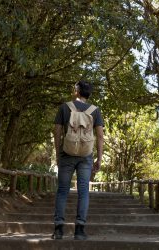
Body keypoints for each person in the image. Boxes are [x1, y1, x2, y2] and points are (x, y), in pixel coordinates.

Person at [52, 80, 104, 240]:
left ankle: (59, 230)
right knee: (83, 192)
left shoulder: (64, 107)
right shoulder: (95, 111)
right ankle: (80, 230)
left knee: (62, 191)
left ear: (77, 91)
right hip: (85, 156)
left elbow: (57, 132)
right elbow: (100, 136)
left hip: (67, 153)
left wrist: (58, 154)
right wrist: (99, 159)